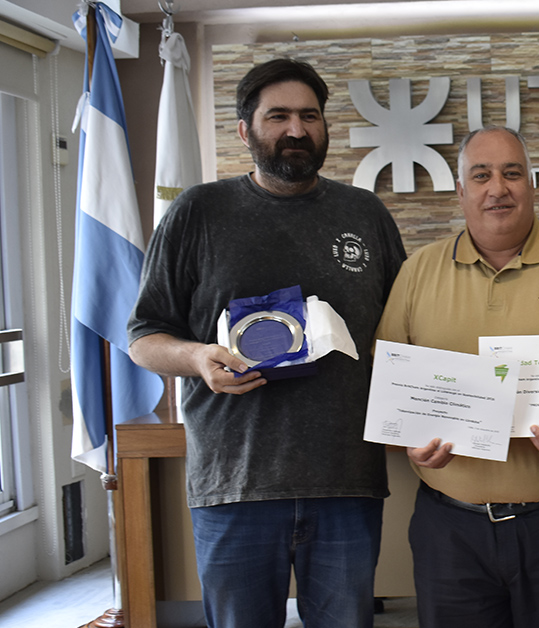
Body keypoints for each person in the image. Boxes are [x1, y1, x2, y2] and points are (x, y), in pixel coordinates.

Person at [128, 58, 407, 628]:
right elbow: (143, 337)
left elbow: (405, 334)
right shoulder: (196, 213)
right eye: (277, 116)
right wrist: (195, 358)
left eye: (309, 115)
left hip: (346, 483)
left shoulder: (365, 214)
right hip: (234, 486)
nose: (296, 130)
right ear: (245, 130)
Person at [374, 125, 539, 628]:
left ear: (532, 184)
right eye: (481, 175)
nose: (497, 187)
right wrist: (410, 439)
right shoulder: (418, 271)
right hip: (449, 527)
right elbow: (390, 376)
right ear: (461, 191)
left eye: (511, 172)